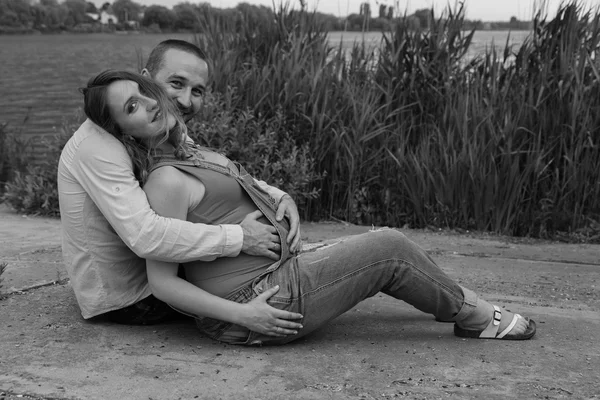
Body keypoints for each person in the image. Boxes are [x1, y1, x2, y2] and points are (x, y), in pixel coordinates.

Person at [78, 69, 537, 345]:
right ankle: (476, 317)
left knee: (377, 246)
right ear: (123, 129)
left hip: (279, 275)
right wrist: (244, 315)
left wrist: (281, 197)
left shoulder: (188, 151)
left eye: (143, 93)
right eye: (130, 108)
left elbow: (243, 184)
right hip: (258, 306)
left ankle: (462, 305)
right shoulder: (164, 180)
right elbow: (161, 282)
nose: (148, 107)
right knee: (391, 249)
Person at [58, 40, 302, 329]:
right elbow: (145, 236)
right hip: (132, 298)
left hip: (160, 272)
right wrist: (241, 238)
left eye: (197, 91)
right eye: (177, 83)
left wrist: (276, 195)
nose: (186, 102)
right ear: (146, 79)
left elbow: (210, 168)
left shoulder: (152, 123)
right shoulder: (98, 149)